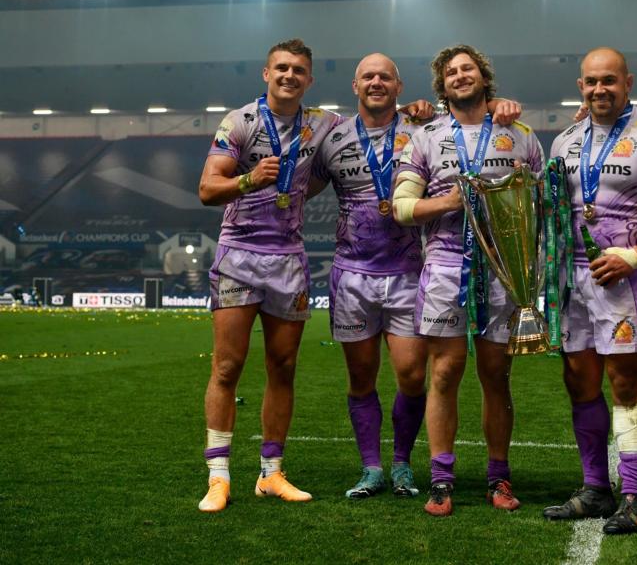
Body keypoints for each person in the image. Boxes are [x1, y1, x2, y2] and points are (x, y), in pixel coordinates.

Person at [309, 53, 520, 500]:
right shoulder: (334, 135)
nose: (376, 82)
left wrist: (503, 105)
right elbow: (301, 183)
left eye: (385, 76)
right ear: (354, 85)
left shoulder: (420, 128)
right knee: (361, 378)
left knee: (413, 375)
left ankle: (404, 464)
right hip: (352, 271)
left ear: (401, 86)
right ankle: (371, 468)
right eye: (368, 76)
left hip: (410, 269)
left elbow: (474, 123)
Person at [542, 47, 637, 535]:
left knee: (626, 384)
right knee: (578, 381)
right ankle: (594, 488)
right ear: (579, 86)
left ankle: (633, 495)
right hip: (571, 276)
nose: (599, 89)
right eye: (590, 82)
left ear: (627, 83)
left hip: (624, 275)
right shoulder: (564, 141)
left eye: (609, 80)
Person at [391, 44, 543, 517]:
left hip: (503, 270)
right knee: (444, 373)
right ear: (442, 85)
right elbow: (401, 207)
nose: (460, 76)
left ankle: (499, 476)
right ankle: (441, 478)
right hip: (444, 266)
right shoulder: (424, 137)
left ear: (484, 77)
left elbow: (543, 201)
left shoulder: (518, 134)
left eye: (468, 69)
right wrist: (445, 204)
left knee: (496, 375)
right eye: (451, 72)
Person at [196, 38, 340, 512]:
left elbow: (371, 128)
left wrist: (418, 110)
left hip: (289, 260)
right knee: (227, 366)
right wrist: (248, 180)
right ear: (266, 74)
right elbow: (206, 188)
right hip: (239, 254)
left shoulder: (322, 124)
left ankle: (271, 474)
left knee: (283, 368)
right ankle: (219, 477)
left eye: (299, 69)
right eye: (281, 68)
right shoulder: (238, 122)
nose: (289, 76)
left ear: (309, 79)